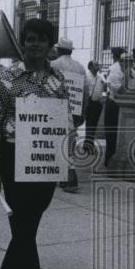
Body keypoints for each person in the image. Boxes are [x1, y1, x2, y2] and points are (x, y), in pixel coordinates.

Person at [0, 18, 68, 269]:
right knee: (22, 226)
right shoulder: (6, 78)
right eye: (29, 39)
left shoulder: (59, 80)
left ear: (50, 45)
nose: (34, 44)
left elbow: (64, 124)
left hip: (44, 161)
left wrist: (63, 161)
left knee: (26, 226)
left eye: (40, 40)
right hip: (12, 158)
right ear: (23, 43)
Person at [50, 36, 88, 193]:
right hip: (74, 110)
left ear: (58, 50)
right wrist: (83, 112)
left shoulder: (52, 65)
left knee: (54, 143)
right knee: (70, 144)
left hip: (55, 109)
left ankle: (68, 179)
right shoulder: (79, 67)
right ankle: (66, 178)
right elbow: (84, 92)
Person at [103, 46, 135, 168]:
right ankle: (109, 161)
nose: (130, 64)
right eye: (128, 62)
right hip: (114, 104)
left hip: (126, 106)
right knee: (111, 135)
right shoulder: (114, 70)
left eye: (131, 62)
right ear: (121, 61)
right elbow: (116, 90)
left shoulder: (131, 71)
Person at [84, 60, 107, 154]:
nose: (98, 66)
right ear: (90, 67)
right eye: (96, 65)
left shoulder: (101, 77)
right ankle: (89, 145)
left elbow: (105, 88)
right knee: (90, 124)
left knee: (94, 125)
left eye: (98, 64)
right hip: (89, 103)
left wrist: (103, 97)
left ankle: (88, 144)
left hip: (98, 104)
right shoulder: (86, 76)